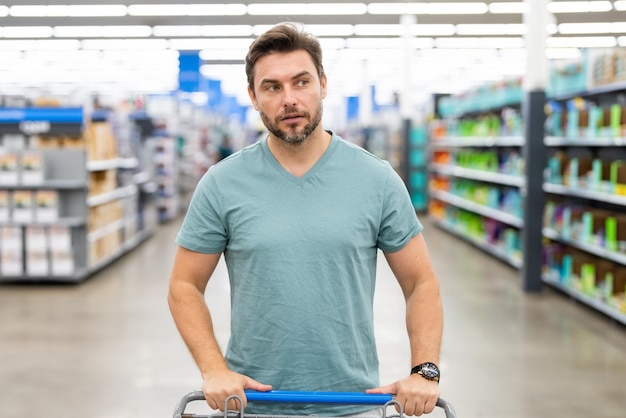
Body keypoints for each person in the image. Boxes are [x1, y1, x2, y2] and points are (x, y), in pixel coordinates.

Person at [167, 22, 443, 417]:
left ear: (323, 84)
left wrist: (425, 372)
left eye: (301, 82)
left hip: (353, 402)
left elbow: (421, 282)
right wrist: (214, 369)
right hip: (253, 402)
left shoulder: (376, 179)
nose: (289, 99)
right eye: (272, 87)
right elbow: (184, 285)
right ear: (253, 96)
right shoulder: (222, 183)